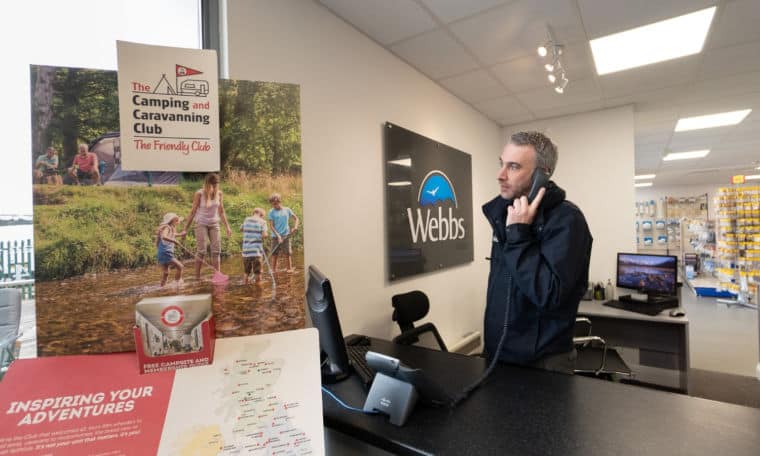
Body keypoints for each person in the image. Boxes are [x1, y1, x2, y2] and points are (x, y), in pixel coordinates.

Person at [482, 131, 592, 374]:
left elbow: (549, 294)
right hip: (497, 353)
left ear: (542, 174)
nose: (500, 175)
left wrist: (520, 235)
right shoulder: (505, 214)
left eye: (513, 166)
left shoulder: (568, 220)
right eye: (502, 164)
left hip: (543, 362)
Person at [182, 173, 233, 280]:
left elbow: (221, 211)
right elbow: (192, 212)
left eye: (216, 184)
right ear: (207, 183)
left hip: (214, 223)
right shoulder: (199, 194)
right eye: (212, 184)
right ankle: (197, 277)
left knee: (216, 251)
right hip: (201, 223)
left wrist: (227, 227)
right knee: (202, 251)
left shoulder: (219, 193)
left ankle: (217, 276)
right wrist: (185, 229)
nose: (214, 187)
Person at [267, 193, 299, 273]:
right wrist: (278, 236)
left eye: (275, 204)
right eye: (272, 204)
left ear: (279, 201)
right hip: (275, 236)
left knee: (288, 254)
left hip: (286, 235)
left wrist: (295, 227)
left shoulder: (287, 210)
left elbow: (296, 219)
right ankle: (274, 271)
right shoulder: (271, 212)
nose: (274, 206)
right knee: (274, 254)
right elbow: (271, 226)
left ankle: (289, 269)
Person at [241, 207, 268, 285]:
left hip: (246, 252)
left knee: (246, 272)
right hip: (256, 252)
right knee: (258, 273)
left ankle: (245, 286)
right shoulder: (263, 222)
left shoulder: (246, 219)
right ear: (261, 215)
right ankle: (259, 291)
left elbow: (241, 229)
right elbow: (265, 235)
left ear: (253, 213)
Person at [156, 212, 184, 287]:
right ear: (171, 221)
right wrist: (174, 241)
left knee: (166, 273)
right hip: (166, 252)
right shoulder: (167, 227)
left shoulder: (170, 228)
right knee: (180, 266)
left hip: (162, 252)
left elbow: (173, 234)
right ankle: (177, 283)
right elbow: (164, 236)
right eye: (176, 221)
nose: (178, 222)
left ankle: (162, 288)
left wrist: (181, 234)